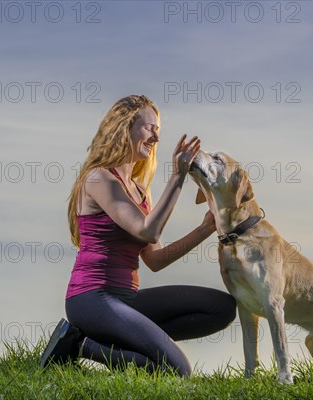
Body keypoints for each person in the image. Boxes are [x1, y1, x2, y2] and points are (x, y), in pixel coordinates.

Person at [39, 95, 236, 377]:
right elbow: (148, 230)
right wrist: (177, 176)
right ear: (125, 128)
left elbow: (155, 259)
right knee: (177, 370)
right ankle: (80, 344)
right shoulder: (99, 179)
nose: (156, 137)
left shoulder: (139, 191)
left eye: (158, 130)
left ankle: (133, 344)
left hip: (126, 300)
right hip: (92, 299)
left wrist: (205, 228)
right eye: (149, 128)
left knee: (221, 308)